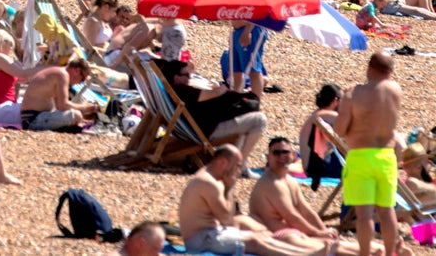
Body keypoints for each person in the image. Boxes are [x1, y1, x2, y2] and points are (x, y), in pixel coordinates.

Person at [250, 137, 398, 256]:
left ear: (293, 156)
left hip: (296, 233)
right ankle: (379, 251)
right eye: (276, 153)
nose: (281, 156)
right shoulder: (270, 183)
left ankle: (383, 250)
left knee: (334, 243)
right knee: (330, 247)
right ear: (268, 157)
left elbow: (306, 211)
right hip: (279, 235)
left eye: (285, 152)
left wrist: (325, 231)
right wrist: (319, 232)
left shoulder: (288, 180)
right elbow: (292, 216)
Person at [179, 144, 322, 255]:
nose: (238, 171)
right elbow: (226, 219)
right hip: (200, 239)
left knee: (262, 236)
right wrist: (230, 187)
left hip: (210, 233)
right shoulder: (209, 183)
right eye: (237, 166)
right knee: (254, 242)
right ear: (222, 162)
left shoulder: (211, 178)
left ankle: (305, 253)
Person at [334, 52, 401, 256]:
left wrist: (346, 99)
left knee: (364, 216)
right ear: (390, 71)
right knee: (387, 211)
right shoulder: (396, 90)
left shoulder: (354, 93)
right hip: (387, 157)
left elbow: (340, 128)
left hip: (361, 156)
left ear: (369, 67)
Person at [160, 60, 266, 177]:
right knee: (259, 120)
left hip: (194, 129)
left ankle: (231, 164)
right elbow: (215, 93)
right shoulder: (182, 90)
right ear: (176, 78)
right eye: (186, 75)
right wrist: (219, 88)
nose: (190, 78)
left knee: (243, 120)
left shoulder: (172, 91)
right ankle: (239, 167)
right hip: (207, 131)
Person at [0, 29, 43, 126]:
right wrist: (45, 67)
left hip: (3, 105)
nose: (11, 47)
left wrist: (41, 65)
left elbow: (24, 78)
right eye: (10, 44)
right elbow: (23, 73)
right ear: (2, 43)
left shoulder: (1, 59)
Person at [20, 59, 100, 131]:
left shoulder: (57, 72)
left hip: (31, 118)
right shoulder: (62, 75)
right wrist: (85, 107)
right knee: (77, 115)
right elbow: (63, 105)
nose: (80, 83)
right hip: (33, 119)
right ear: (77, 71)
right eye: (82, 79)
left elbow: (60, 107)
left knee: (76, 117)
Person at [231, 0, 267, 98]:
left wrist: (247, 30)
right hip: (239, 28)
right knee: (237, 71)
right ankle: (237, 100)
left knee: (253, 70)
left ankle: (256, 103)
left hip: (252, 28)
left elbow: (261, 8)